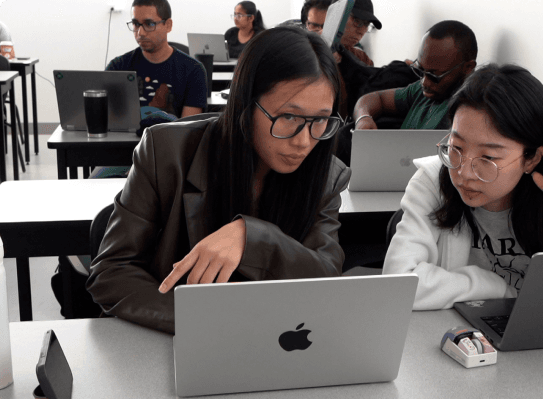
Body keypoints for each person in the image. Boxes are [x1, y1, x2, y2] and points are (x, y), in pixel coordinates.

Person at [86, 27, 350, 334]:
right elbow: (111, 272)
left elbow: (327, 277)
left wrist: (254, 238)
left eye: (320, 120)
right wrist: (206, 323)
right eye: (289, 117)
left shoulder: (327, 175)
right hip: (173, 343)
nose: (305, 142)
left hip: (271, 344)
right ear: (246, 104)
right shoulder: (166, 151)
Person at [382, 64, 543, 310]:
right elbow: (398, 284)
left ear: (531, 158)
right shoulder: (433, 181)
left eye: (488, 158)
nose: (463, 172)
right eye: (456, 148)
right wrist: (495, 286)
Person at [352, 20, 477, 131]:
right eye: (421, 71)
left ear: (467, 68)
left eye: (434, 76)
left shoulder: (469, 111)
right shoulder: (420, 91)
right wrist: (363, 117)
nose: (425, 82)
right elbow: (375, 98)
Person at [107, 0, 207, 120]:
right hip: (125, 139)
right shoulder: (117, 67)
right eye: (136, 24)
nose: (140, 32)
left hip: (171, 138)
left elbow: (188, 131)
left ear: (168, 25)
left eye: (149, 24)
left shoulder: (193, 71)